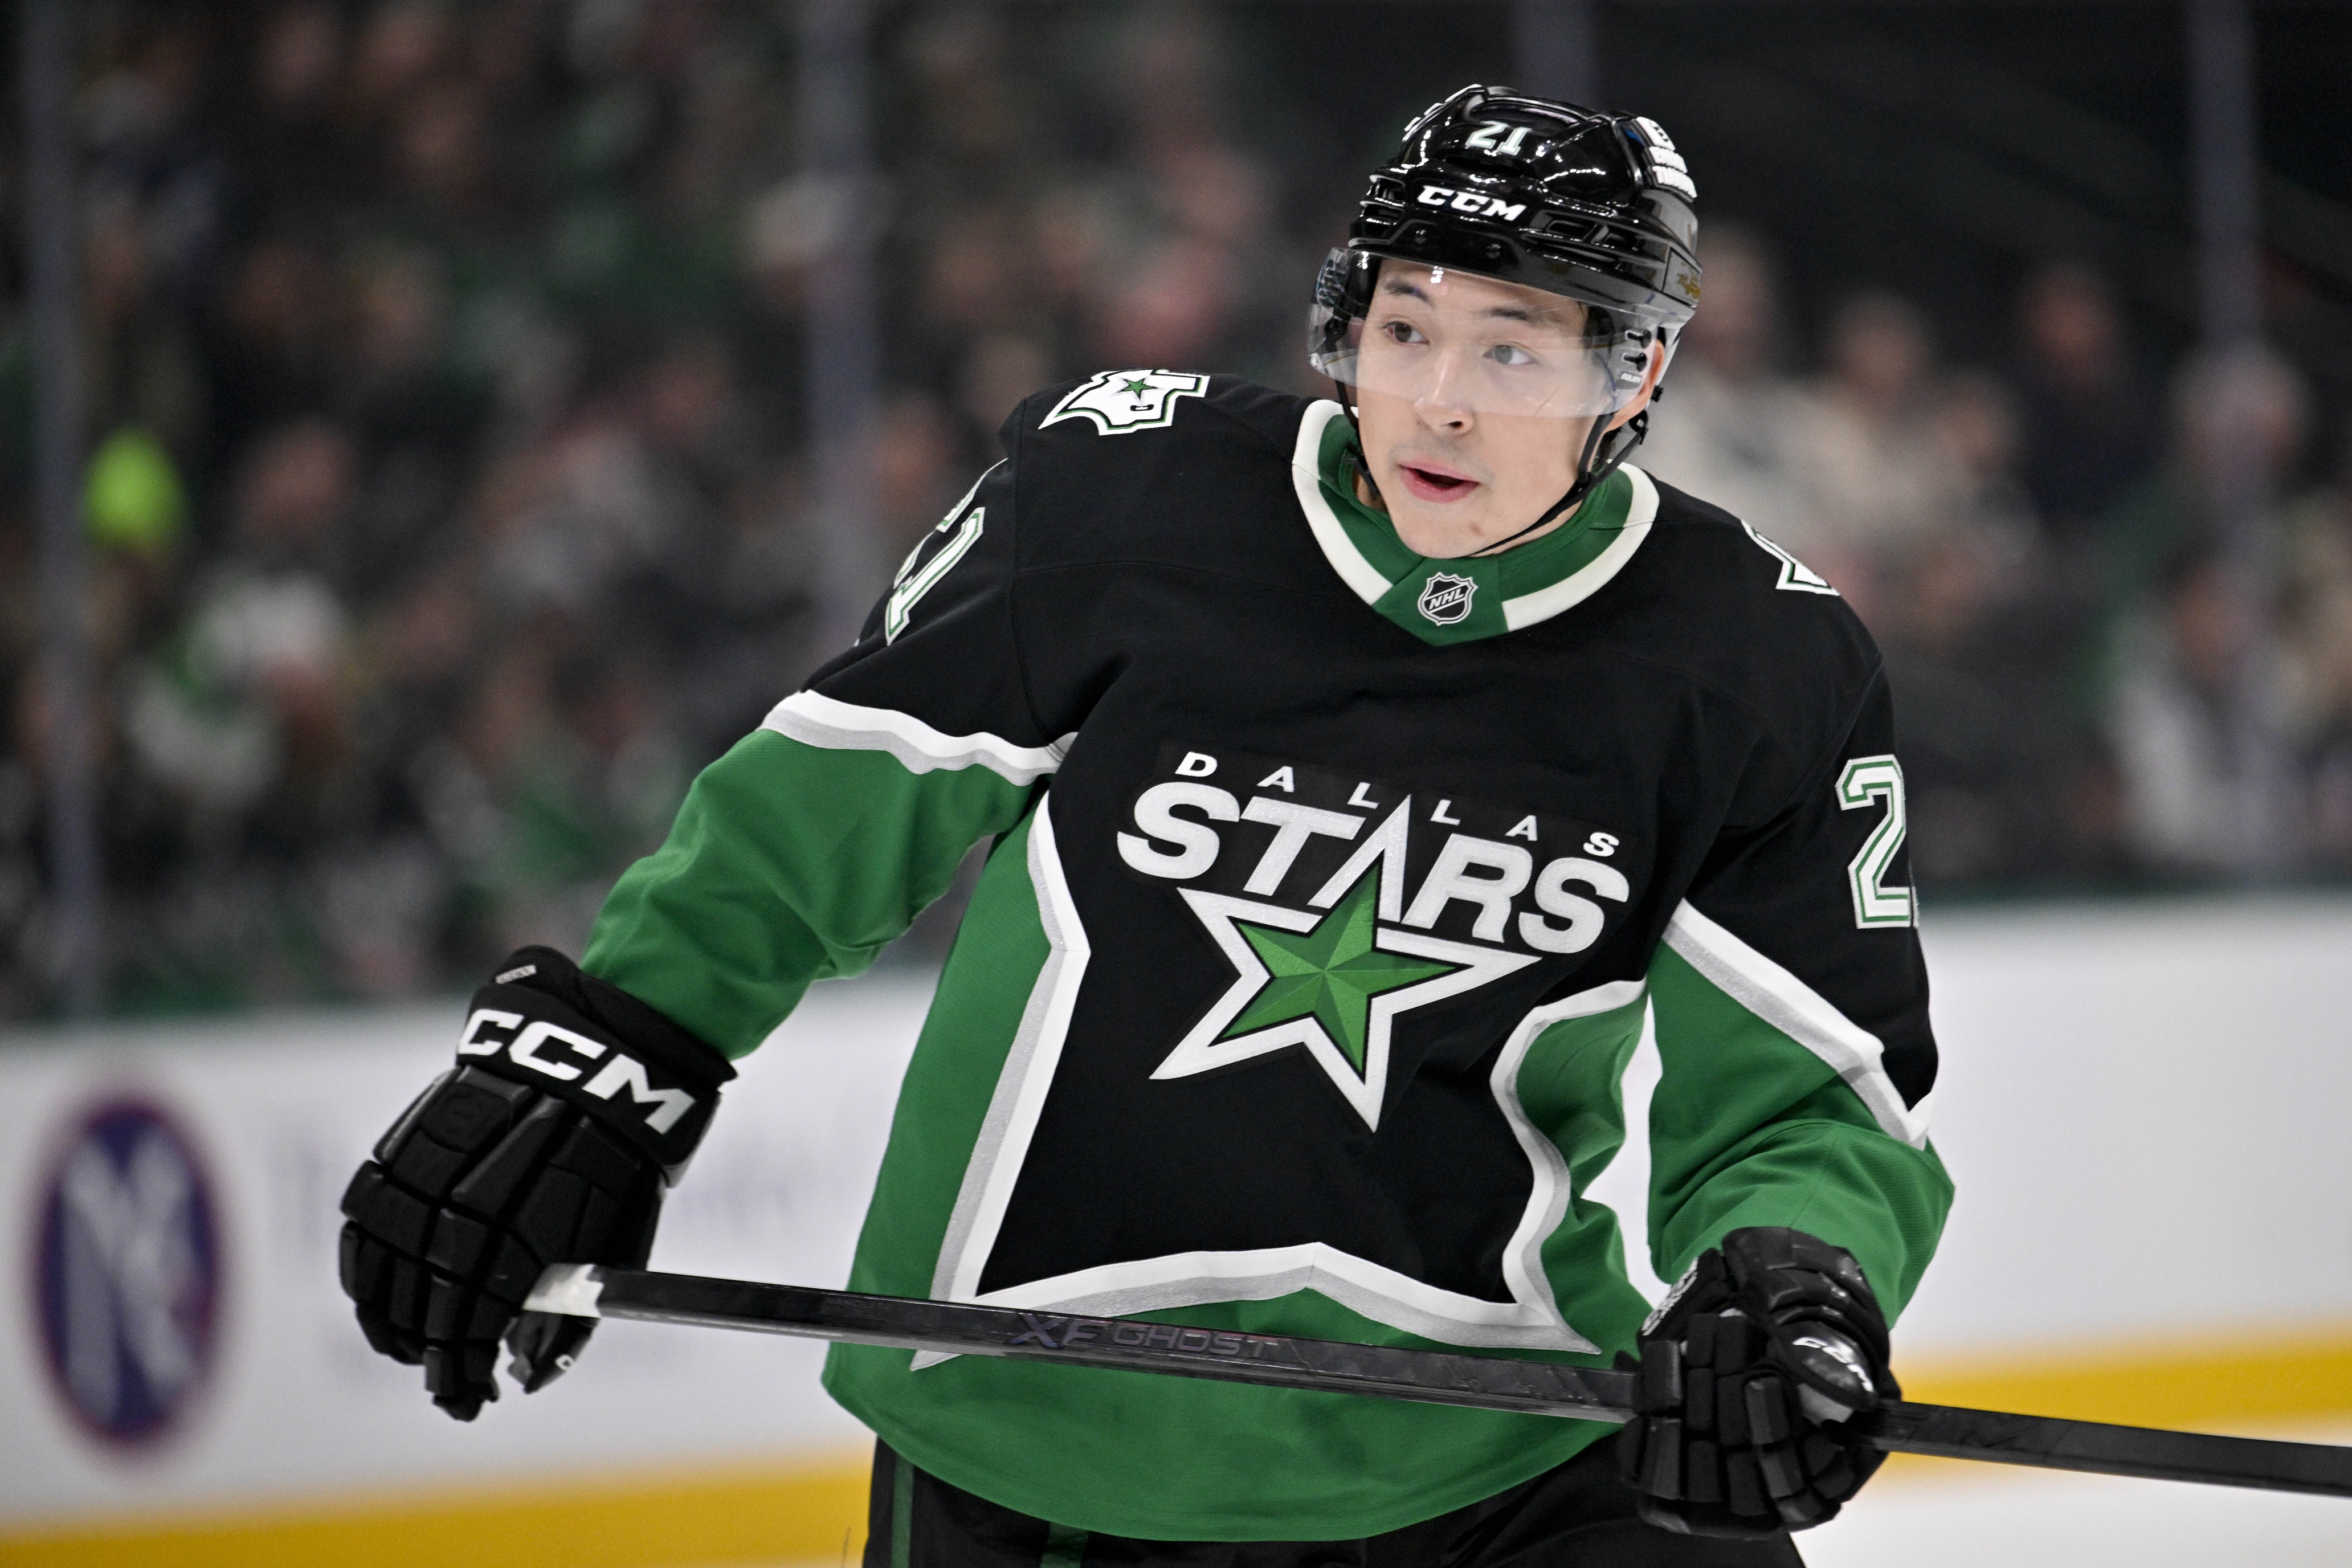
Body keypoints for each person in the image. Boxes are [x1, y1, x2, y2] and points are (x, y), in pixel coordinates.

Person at [337, 85, 1950, 1565]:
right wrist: (619, 1047)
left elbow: (1811, 1096)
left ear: (1638, 373)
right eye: (1404, 329)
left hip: (1508, 1450)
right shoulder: (1136, 498)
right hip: (1038, 1440)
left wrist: (1795, 1275)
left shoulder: (1754, 664)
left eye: (1511, 351)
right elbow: (822, 808)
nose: (1438, 403)